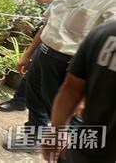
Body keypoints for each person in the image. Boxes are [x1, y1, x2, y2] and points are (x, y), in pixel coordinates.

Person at [5, 0, 116, 152]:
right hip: (44, 56)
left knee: (70, 123)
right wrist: (28, 54)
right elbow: (49, 25)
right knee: (36, 104)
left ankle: (66, 154)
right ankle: (32, 139)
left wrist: (90, 94)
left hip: (73, 70)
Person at [0, 0, 74, 112]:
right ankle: (20, 102)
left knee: (60, 97)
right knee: (33, 75)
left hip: (73, 53)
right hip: (48, 37)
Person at [42, 20, 116, 162]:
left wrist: (57, 132)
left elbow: (71, 90)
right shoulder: (106, 31)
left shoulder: (105, 30)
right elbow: (72, 89)